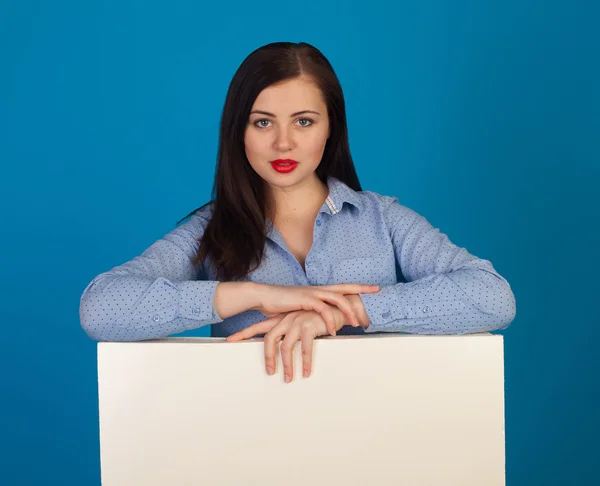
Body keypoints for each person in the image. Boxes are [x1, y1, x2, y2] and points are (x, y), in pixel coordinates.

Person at [79, 41, 516, 383]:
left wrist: (344, 310)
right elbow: (100, 308)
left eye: (304, 121)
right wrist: (258, 295)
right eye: (263, 122)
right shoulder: (208, 231)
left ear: (331, 129)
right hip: (249, 450)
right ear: (239, 132)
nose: (283, 143)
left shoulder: (383, 220)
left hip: (377, 443)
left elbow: (492, 296)